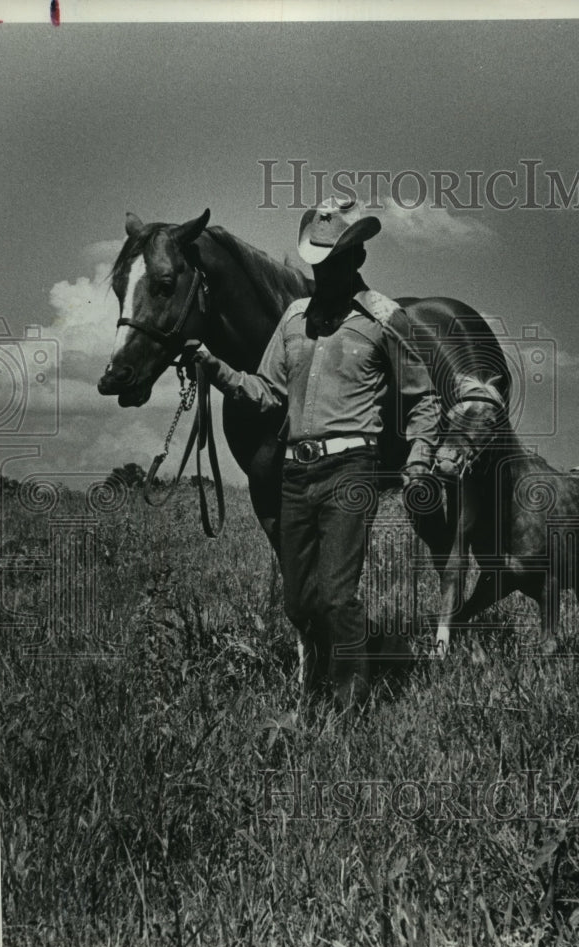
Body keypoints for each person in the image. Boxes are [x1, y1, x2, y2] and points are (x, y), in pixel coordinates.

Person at [188, 197, 441, 710]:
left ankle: (349, 707)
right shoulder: (294, 319)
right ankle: (382, 652)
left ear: (356, 261)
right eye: (316, 261)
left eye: (334, 260)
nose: (322, 271)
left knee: (334, 596)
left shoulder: (384, 318)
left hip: (352, 469)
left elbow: (424, 397)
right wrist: (212, 366)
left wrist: (418, 459)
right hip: (296, 472)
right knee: (300, 602)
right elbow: (267, 392)